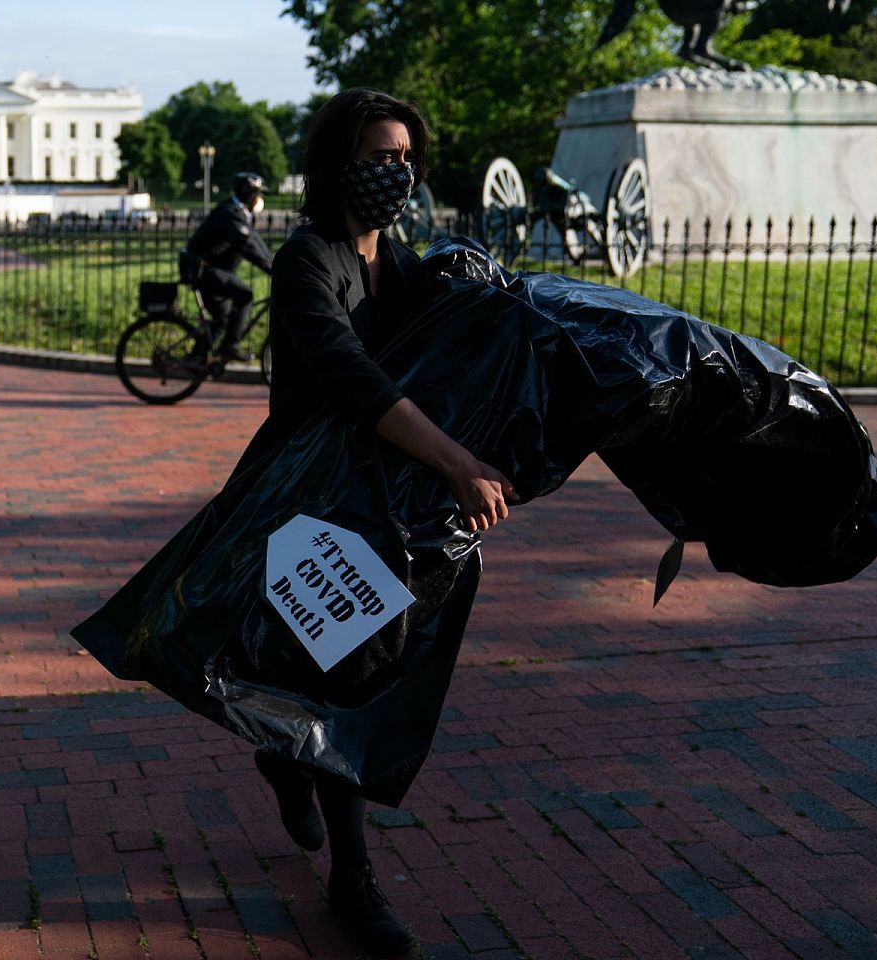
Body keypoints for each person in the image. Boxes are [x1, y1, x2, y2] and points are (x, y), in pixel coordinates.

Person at [256, 88, 516, 957]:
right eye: (378, 156)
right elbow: (354, 381)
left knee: (357, 670)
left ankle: (284, 757)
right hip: (300, 503)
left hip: (378, 502)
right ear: (337, 164)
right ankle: (354, 878)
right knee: (343, 680)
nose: (396, 172)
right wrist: (455, 462)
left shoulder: (402, 265)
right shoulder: (306, 261)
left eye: (406, 156)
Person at [179, 172, 274, 362]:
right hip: (202, 270)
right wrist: (275, 271)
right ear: (249, 195)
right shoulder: (230, 214)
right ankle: (230, 346)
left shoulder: (237, 213)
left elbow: (256, 243)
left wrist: (276, 264)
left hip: (208, 270)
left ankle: (196, 357)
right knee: (245, 296)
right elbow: (248, 247)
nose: (260, 199)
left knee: (222, 316)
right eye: (259, 194)